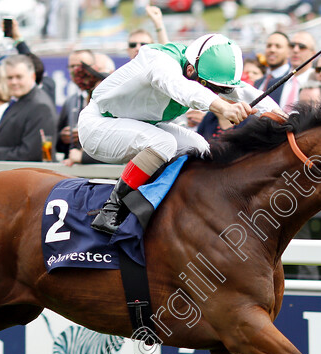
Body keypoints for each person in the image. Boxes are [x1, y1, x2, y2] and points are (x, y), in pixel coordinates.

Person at [80, 33, 280, 234]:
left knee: (200, 147)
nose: (213, 91)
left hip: (134, 124)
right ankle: (111, 211)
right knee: (163, 143)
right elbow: (181, 87)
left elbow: (246, 92)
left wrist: (285, 118)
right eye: (208, 86)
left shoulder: (199, 70)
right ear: (191, 69)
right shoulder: (159, 60)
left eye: (218, 89)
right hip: (98, 124)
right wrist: (222, 107)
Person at [0, 55, 57, 162]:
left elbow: (32, 154)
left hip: (29, 177)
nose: (14, 82)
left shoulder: (40, 106)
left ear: (33, 77)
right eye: (9, 78)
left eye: (19, 77)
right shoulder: (19, 100)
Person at [57, 49, 96, 160]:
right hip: (73, 170)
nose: (76, 70)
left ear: (94, 68)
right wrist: (63, 137)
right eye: (72, 66)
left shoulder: (104, 98)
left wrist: (84, 135)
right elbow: (57, 144)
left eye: (80, 66)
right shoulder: (71, 100)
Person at [254, 31, 291, 105]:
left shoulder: (291, 82)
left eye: (278, 46)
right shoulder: (258, 82)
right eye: (269, 46)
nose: (272, 50)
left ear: (289, 52)